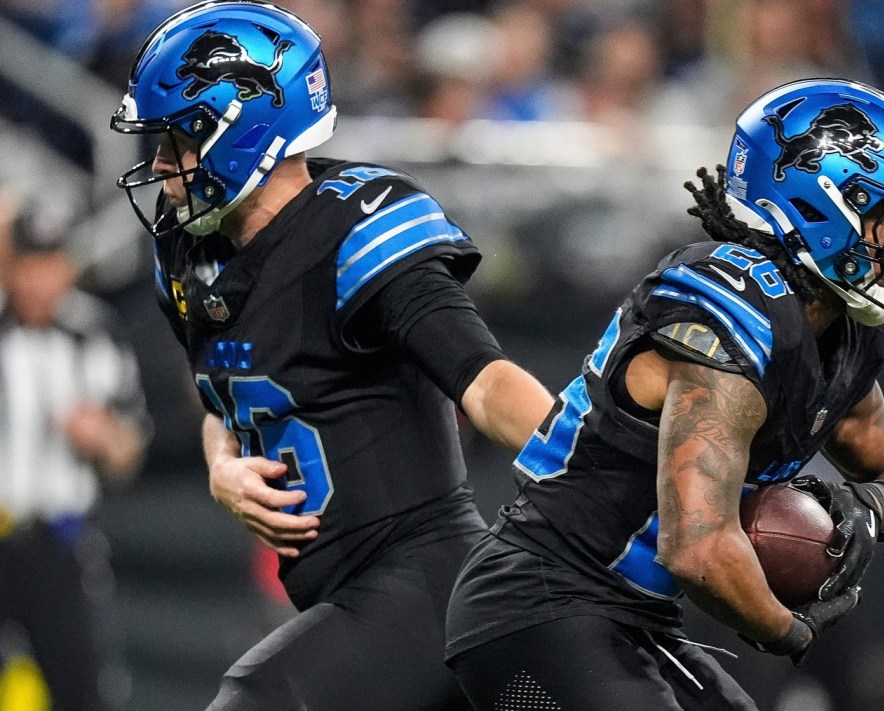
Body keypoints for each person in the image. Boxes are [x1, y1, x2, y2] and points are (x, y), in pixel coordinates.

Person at [445, 77, 884, 710]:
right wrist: (793, 629)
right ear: (821, 209)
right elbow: (698, 550)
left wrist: (872, 508)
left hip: (632, 619)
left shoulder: (838, 333)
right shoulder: (731, 313)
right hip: (537, 603)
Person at [108, 2, 553, 709]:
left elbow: (487, 381)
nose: (160, 165)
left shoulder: (354, 230)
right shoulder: (191, 254)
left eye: (179, 140)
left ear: (247, 130)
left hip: (431, 587)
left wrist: (604, 484)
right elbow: (227, 400)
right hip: (346, 596)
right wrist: (223, 466)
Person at [0, 195, 150, 711]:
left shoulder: (95, 335)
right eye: (29, 264)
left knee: (82, 691)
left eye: (53, 263)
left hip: (60, 547)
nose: (42, 281)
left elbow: (129, 453)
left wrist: (105, 437)